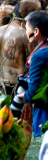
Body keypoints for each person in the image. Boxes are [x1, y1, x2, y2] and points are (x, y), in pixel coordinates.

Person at [24, 10, 48, 138]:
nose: (26, 33)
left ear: (36, 32)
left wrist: (24, 96)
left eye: (26, 29)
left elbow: (34, 92)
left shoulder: (39, 55)